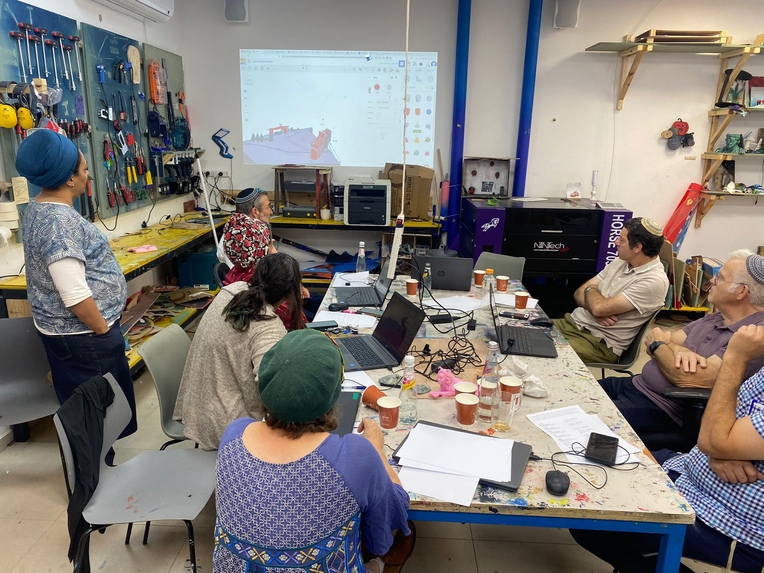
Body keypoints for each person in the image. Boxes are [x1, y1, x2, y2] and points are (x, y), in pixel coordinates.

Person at [213, 328, 414, 573]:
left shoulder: (234, 434)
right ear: (334, 393)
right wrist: (376, 449)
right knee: (382, 546)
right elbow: (388, 521)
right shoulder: (354, 456)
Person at [571, 324, 764, 573]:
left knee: (593, 518)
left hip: (730, 521)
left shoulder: (746, 346)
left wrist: (735, 358)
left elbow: (714, 434)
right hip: (690, 470)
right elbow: (727, 413)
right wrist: (719, 448)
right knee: (591, 469)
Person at [16, 129, 136, 436]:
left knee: (89, 420)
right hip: (86, 338)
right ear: (70, 179)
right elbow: (74, 294)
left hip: (73, 335)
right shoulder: (58, 223)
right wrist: (104, 331)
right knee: (97, 424)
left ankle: (96, 465)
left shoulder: (39, 207)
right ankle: (97, 469)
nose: (87, 175)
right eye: (84, 169)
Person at [600, 250, 764, 450]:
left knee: (583, 418)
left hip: (661, 409)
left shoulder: (754, 338)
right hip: (636, 385)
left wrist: (659, 345)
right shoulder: (717, 317)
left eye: (720, 278)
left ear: (741, 292)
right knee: (571, 396)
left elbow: (685, 377)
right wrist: (676, 349)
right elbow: (656, 338)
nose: (711, 280)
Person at [173, 253, 304, 450]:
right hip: (228, 427)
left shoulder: (232, 291)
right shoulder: (268, 326)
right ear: (288, 295)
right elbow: (274, 388)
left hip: (197, 407)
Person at [552, 217, 669, 364]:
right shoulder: (622, 260)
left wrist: (592, 294)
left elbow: (598, 307)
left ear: (637, 247)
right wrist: (593, 308)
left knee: (537, 348)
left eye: (622, 240)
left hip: (598, 343)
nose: (616, 242)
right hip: (572, 324)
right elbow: (579, 292)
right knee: (526, 331)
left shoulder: (654, 281)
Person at [220, 188, 272, 285]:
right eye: (268, 207)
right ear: (255, 211)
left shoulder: (232, 230)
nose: (271, 212)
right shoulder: (244, 237)